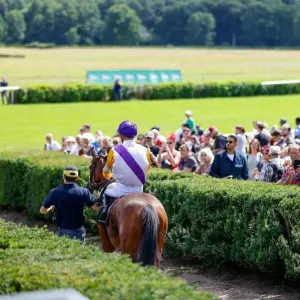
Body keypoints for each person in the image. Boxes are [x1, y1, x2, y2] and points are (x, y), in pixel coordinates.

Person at [99, 121, 151, 221]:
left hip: (121, 189)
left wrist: (112, 177)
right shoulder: (145, 150)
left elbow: (105, 172)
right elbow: (147, 169)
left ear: (121, 135)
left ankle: (104, 216)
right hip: (139, 189)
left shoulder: (114, 150)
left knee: (104, 190)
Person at [40, 166, 99, 242]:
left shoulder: (54, 192)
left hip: (64, 232)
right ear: (77, 177)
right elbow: (97, 208)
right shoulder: (84, 191)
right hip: (80, 231)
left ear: (63, 176)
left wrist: (51, 208)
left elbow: (42, 211)